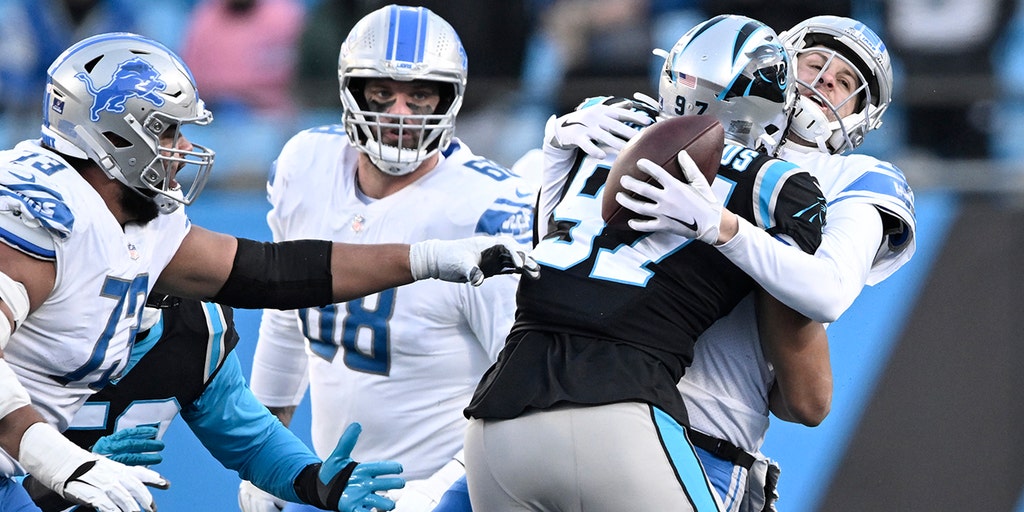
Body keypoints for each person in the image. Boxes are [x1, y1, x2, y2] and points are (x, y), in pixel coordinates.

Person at [0, 31, 537, 512]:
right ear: (116, 135)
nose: (184, 149)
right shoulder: (38, 213)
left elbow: (270, 273)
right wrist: (61, 464)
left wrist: (423, 259)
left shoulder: (146, 231)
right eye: (168, 133)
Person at [461, 15, 827, 511]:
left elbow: (544, 249)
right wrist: (725, 229)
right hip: (617, 411)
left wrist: (554, 153)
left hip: (495, 424)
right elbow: (823, 300)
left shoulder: (599, 121)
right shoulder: (778, 184)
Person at [243, 5, 535, 512]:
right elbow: (286, 312)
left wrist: (440, 491)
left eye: (419, 94)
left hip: (447, 487)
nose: (399, 112)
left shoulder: (485, 209)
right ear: (351, 91)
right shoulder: (306, 163)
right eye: (382, 93)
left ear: (448, 99)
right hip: (332, 486)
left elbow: (521, 388)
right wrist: (265, 455)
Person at [619, 15, 917, 511]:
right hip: (613, 388)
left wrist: (730, 227)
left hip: (710, 428)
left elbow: (826, 297)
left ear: (864, 117)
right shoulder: (679, 123)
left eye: (847, 83)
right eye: (817, 63)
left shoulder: (854, 175)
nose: (825, 81)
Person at [21, 295, 404, 512]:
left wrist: (314, 481)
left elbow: (251, 442)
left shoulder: (196, 327)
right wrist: (64, 476)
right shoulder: (21, 321)